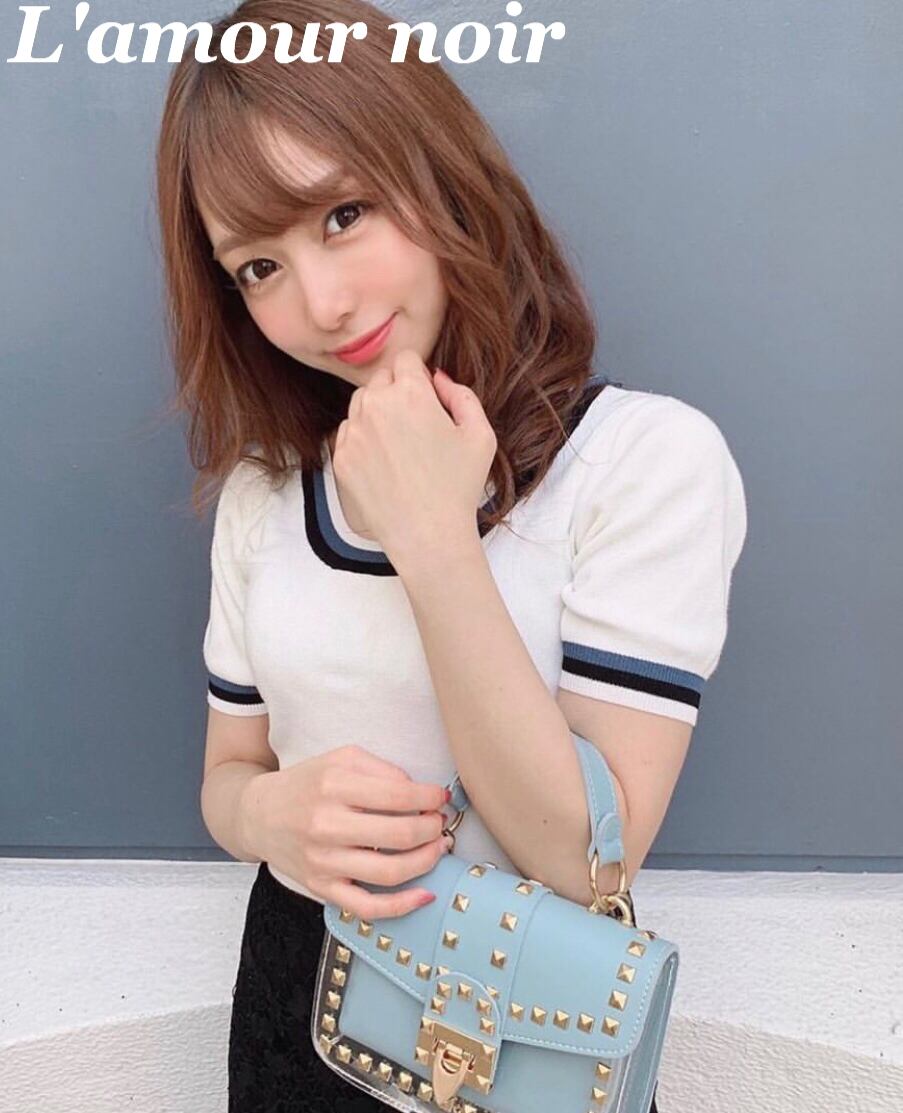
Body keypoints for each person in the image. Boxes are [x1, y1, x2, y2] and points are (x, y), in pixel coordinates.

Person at [154, 1, 747, 1109]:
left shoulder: (641, 462)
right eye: (258, 267)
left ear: (436, 168)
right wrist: (265, 818)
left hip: (522, 1023)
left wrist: (431, 537)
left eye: (343, 213)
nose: (322, 304)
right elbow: (229, 772)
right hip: (293, 1002)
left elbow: (581, 862)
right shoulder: (265, 498)